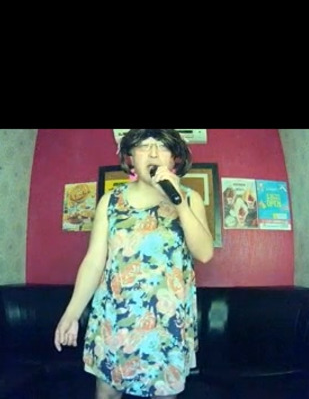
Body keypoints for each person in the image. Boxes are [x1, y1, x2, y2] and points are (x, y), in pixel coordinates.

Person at [53, 129, 214, 399]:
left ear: (174, 158)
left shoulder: (189, 198)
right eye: (144, 146)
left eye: (162, 146)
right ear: (130, 157)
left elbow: (205, 253)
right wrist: (71, 314)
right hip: (116, 319)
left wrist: (179, 201)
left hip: (166, 324)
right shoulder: (110, 201)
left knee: (164, 394)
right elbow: (94, 261)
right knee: (107, 392)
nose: (153, 153)